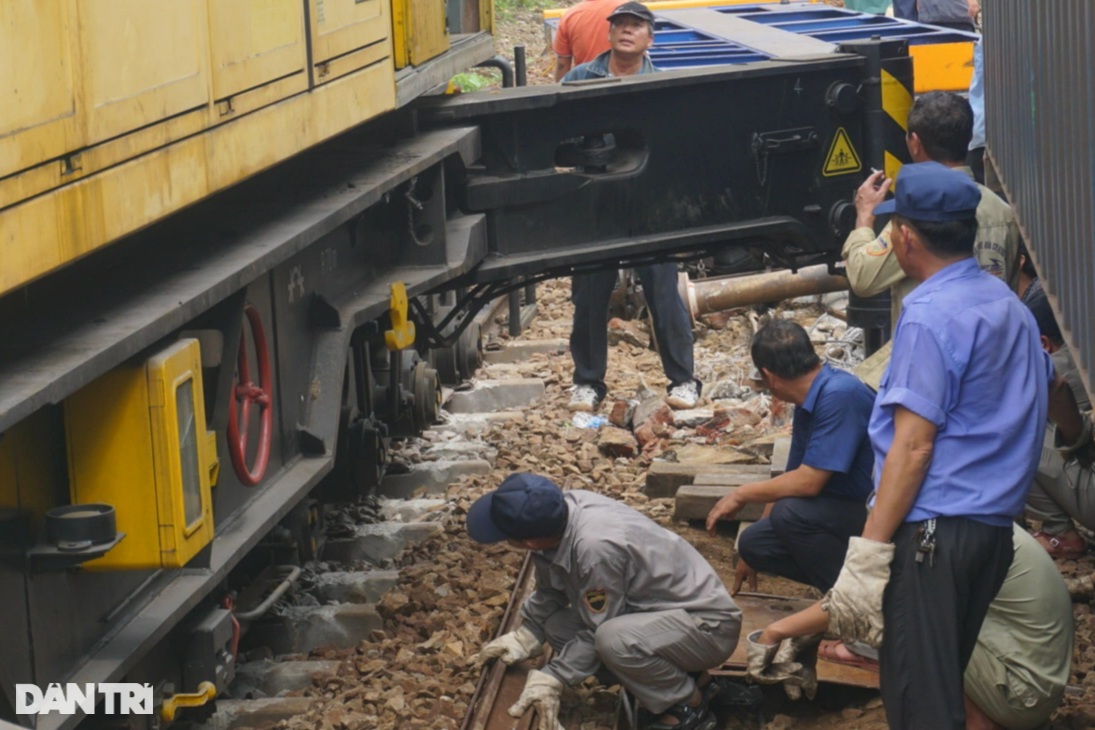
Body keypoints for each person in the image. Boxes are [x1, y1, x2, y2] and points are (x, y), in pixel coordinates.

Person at [820, 161, 1082, 729]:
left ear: (905, 236)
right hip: (991, 534)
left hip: (933, 533)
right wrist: (1078, 437)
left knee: (920, 701)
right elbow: (1055, 393)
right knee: (941, 683)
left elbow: (913, 449)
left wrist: (868, 554)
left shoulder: (928, 314)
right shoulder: (1007, 305)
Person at [468, 473, 740, 730]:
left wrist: (555, 676)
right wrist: (528, 634)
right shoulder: (560, 511)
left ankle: (687, 706)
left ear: (529, 542)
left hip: (708, 627)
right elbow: (553, 585)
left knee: (612, 640)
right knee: (558, 626)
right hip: (663, 614)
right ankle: (690, 678)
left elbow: (600, 628)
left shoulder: (595, 549)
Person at [746, 525, 1074, 730]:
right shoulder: (975, 517)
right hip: (1031, 681)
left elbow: (861, 600)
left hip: (1019, 693)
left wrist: (776, 632)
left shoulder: (938, 534)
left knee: (909, 615)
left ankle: (977, 722)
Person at [562, 2, 701, 413]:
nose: (626, 31)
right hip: (596, 203)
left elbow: (678, 147)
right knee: (589, 293)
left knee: (663, 290)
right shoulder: (579, 79)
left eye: (635, 26)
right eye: (620, 25)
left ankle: (684, 380)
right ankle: (587, 383)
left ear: (649, 39)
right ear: (609, 35)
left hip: (648, 205)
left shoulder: (661, 85)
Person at [705, 320, 875, 595]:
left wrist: (741, 494)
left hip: (875, 510)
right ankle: (839, 588)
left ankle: (854, 601)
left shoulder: (840, 395)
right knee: (755, 543)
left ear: (769, 376)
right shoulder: (809, 402)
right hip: (840, 510)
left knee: (790, 515)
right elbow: (791, 477)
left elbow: (808, 483)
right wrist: (751, 551)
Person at [844, 91, 1020, 332]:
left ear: (914, 142)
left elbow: (863, 277)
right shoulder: (1003, 212)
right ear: (969, 138)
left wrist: (864, 217)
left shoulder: (918, 212)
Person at [1022, 282, 1095, 559]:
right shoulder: (1084, 356)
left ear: (1043, 343)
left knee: (1014, 440)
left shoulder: (1057, 367)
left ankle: (1060, 535)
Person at [552, 0, 625, 81]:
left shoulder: (570, 15)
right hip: (626, 81)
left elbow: (562, 64)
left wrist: (560, 89)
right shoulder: (626, 9)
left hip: (585, 82)